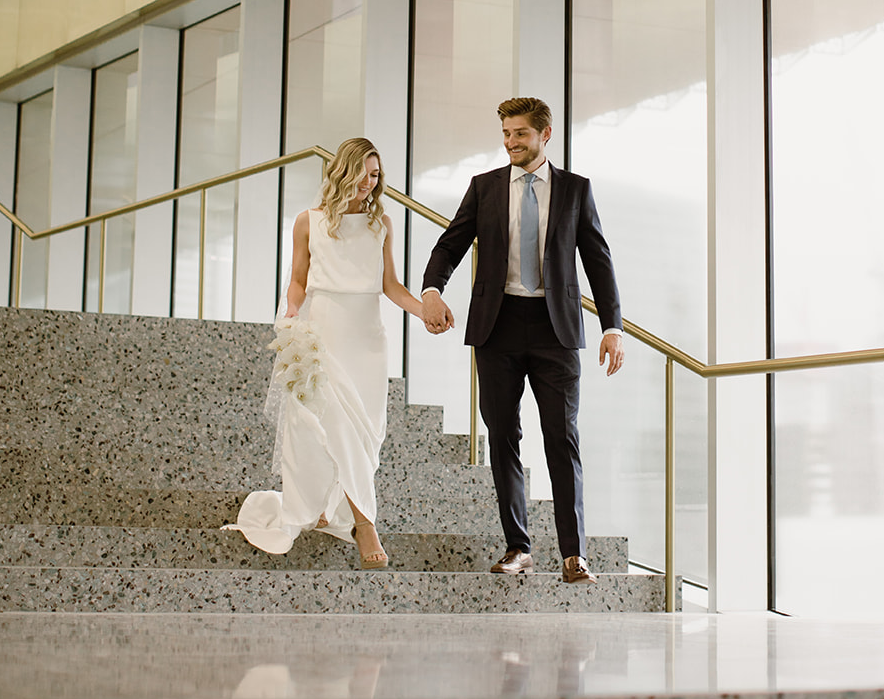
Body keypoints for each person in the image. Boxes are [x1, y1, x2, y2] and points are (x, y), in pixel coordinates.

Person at [421, 96, 624, 584]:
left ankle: (573, 554)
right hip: (498, 326)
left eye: (521, 134)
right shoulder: (484, 187)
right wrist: (431, 290)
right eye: (506, 134)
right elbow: (451, 243)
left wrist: (612, 327)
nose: (511, 142)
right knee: (504, 437)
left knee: (562, 437)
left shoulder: (576, 190)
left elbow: (598, 258)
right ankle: (519, 547)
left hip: (556, 329)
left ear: (544, 134)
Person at [225, 137, 425, 568]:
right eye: (363, 174)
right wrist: (292, 313)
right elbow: (298, 279)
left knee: (363, 432)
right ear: (342, 172)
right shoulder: (308, 222)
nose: (369, 184)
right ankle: (364, 521)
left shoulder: (382, 225)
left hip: (367, 340)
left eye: (375, 176)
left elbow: (390, 286)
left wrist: (423, 310)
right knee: (323, 426)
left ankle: (333, 508)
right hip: (323, 332)